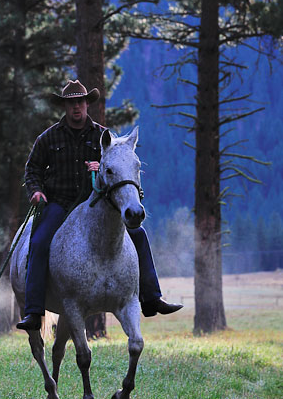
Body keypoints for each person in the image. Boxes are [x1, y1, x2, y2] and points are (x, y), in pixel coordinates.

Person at [17, 80, 183, 331]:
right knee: (39, 243)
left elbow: (123, 166)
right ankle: (33, 310)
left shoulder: (104, 137)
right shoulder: (48, 138)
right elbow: (33, 169)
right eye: (71, 103)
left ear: (86, 104)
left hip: (94, 203)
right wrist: (37, 190)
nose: (76, 107)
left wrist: (99, 166)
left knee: (138, 234)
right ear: (65, 106)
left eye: (80, 102)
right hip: (59, 205)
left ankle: (151, 297)